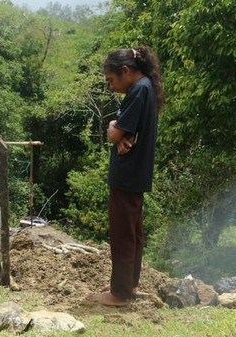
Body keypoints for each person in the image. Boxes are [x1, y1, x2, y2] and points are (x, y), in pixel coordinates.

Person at [87, 46, 164, 307]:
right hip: (137, 173)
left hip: (127, 174)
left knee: (122, 234)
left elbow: (115, 132)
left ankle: (119, 293)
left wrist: (113, 129)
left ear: (125, 71)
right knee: (132, 233)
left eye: (111, 80)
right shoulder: (146, 87)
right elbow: (123, 132)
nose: (111, 86)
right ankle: (128, 284)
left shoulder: (138, 90)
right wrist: (118, 132)